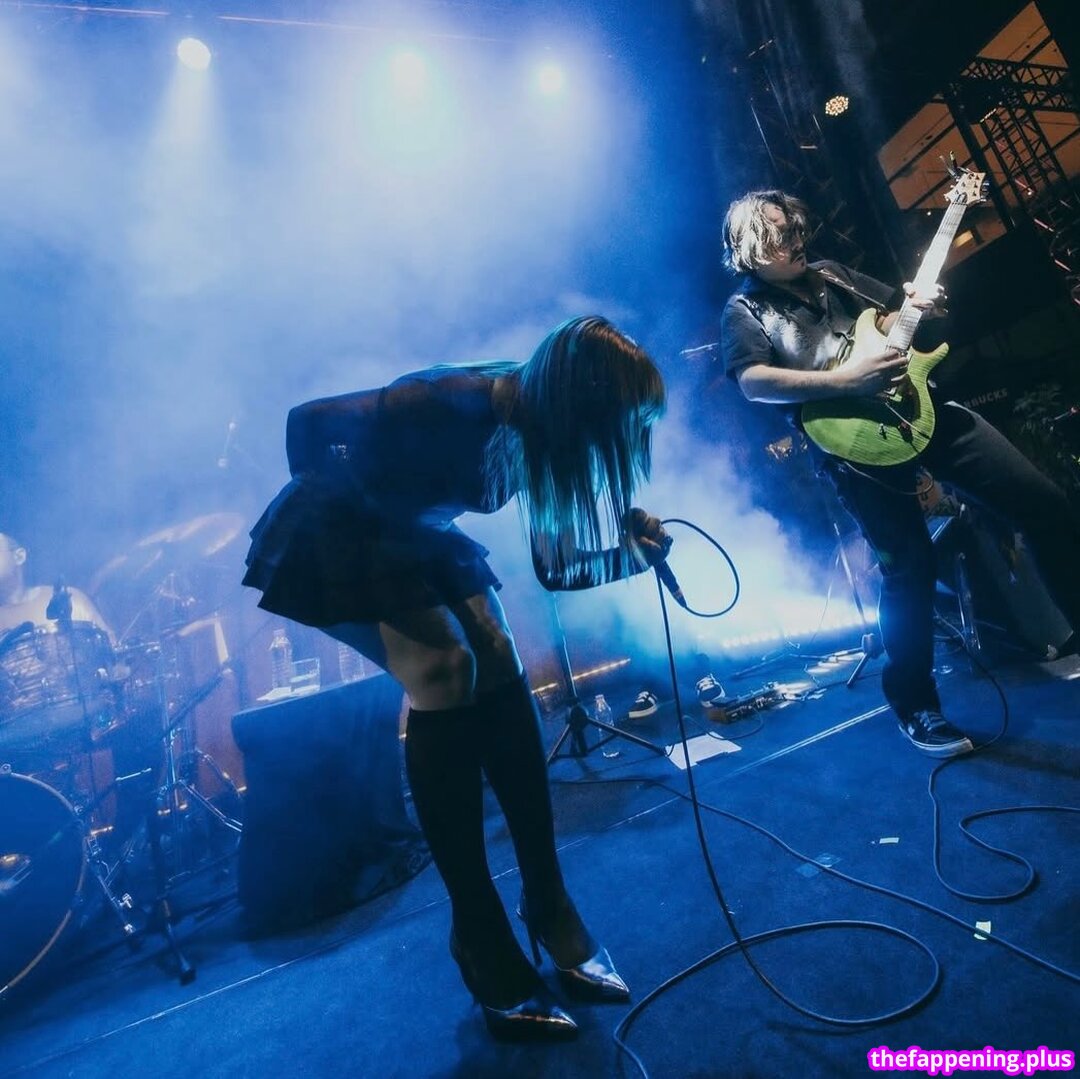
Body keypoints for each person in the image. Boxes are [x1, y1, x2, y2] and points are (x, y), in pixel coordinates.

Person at [242, 316, 670, 1041]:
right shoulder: (445, 401)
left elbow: (558, 570)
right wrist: (354, 504)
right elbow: (305, 422)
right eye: (619, 421)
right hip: (335, 528)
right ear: (582, 402)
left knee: (497, 654)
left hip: (419, 532)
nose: (622, 440)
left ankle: (549, 903)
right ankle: (478, 932)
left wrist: (635, 555)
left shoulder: (539, 434)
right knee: (444, 668)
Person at [718, 190, 1079, 759]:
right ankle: (915, 704)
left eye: (795, 229)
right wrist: (845, 381)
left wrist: (918, 307)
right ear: (750, 248)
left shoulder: (832, 274)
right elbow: (753, 382)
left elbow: (889, 320)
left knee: (1046, 505)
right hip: (852, 445)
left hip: (921, 409)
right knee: (910, 568)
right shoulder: (745, 310)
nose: (795, 241)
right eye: (779, 236)